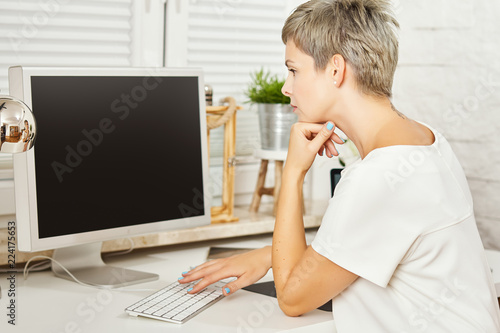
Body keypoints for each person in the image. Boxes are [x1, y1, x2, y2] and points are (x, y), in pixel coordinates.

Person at [180, 0, 500, 331]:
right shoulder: (424, 140)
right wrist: (268, 256)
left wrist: (293, 174)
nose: (286, 87)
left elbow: (292, 298)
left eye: (293, 70)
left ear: (335, 70)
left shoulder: (379, 177)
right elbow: (362, 245)